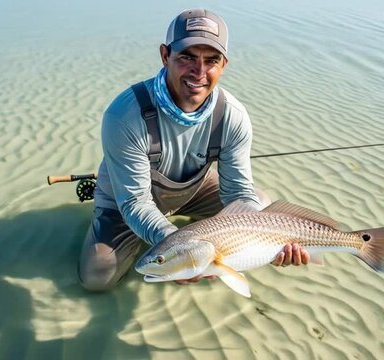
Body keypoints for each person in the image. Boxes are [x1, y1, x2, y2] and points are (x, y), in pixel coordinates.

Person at [78, 8, 309, 291]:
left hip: (192, 191)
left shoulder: (233, 116)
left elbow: (238, 193)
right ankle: (112, 228)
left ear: (224, 64)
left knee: (260, 204)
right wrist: (182, 250)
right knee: (97, 277)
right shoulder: (124, 114)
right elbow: (135, 202)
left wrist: (262, 243)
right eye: (187, 57)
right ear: (165, 55)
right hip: (125, 200)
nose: (199, 72)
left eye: (211, 60)